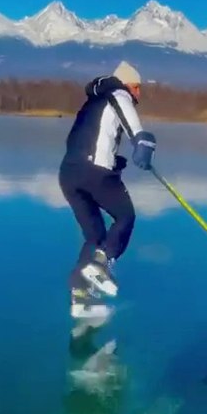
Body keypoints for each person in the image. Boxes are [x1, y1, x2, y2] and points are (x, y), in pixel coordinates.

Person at [59, 60, 158, 319]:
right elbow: (137, 132)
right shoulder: (118, 94)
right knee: (126, 217)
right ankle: (101, 266)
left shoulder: (93, 101)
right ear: (128, 85)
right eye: (137, 87)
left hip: (69, 174)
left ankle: (80, 296)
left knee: (94, 236)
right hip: (95, 173)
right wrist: (143, 146)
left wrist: (117, 161)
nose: (138, 94)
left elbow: (86, 140)